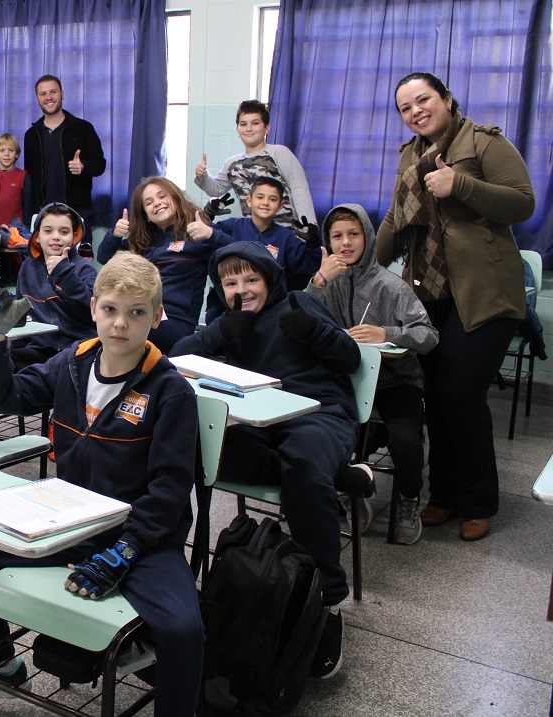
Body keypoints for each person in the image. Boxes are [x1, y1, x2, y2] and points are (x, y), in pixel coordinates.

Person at [0, 251, 202, 714]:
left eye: (136, 313)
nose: (120, 323)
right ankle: (0, 664)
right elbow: (4, 395)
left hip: (139, 537)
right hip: (69, 523)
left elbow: (168, 491)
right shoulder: (72, 363)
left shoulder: (170, 391)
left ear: (156, 317)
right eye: (110, 309)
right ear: (94, 309)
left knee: (183, 629)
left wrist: (125, 550)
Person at [172, 241, 363, 680]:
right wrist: (220, 333)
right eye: (230, 283)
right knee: (192, 449)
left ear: (270, 279)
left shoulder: (298, 303)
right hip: (260, 424)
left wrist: (314, 332)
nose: (242, 289)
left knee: (303, 463)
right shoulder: (228, 321)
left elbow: (351, 357)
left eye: (251, 279)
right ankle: (325, 475)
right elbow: (178, 356)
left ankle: (327, 597)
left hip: (318, 413)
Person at [376, 72, 535, 542]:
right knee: (436, 398)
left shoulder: (483, 142)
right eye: (405, 107)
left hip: (485, 295)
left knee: (461, 396)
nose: (415, 111)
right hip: (428, 296)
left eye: (423, 99)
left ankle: (478, 502)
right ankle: (443, 496)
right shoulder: (409, 155)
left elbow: (523, 203)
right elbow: (395, 219)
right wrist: (359, 265)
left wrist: (459, 184)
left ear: (446, 99)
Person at [304, 204, 438, 544]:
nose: (346, 243)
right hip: (349, 381)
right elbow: (299, 321)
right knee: (326, 432)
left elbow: (428, 335)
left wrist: (386, 333)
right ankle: (353, 493)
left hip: (396, 381)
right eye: (337, 236)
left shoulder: (391, 286)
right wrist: (318, 282)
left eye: (354, 234)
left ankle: (408, 499)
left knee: (405, 441)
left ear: (368, 236)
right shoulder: (327, 283)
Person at [97, 176, 233, 352]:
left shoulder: (196, 234)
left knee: (113, 331)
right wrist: (114, 235)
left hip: (175, 321)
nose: (157, 203)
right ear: (144, 213)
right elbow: (104, 257)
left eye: (162, 196)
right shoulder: (141, 241)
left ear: (175, 198)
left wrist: (211, 235)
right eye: (149, 202)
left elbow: (239, 253)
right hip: (139, 311)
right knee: (100, 321)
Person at [193, 176, 321, 322]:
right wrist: (208, 214)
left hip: (270, 312)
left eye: (272, 199)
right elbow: (201, 239)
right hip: (227, 308)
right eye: (260, 197)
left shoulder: (286, 237)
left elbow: (308, 264)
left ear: (280, 205)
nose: (265, 202)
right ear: (249, 200)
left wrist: (314, 243)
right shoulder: (231, 227)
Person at [194, 99, 316, 227]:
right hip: (253, 234)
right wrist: (203, 175)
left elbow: (299, 189)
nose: (249, 129)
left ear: (267, 128)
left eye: (255, 123)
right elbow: (216, 189)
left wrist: (309, 226)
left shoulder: (279, 153)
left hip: (287, 232)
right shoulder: (232, 163)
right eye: (243, 124)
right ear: (237, 129)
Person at [23, 75, 105, 254]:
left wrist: (83, 167)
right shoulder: (31, 135)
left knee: (80, 265)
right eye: (43, 94)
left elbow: (100, 164)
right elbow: (29, 177)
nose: (48, 97)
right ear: (37, 98)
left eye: (53, 92)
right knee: (45, 265)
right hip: (44, 215)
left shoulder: (83, 128)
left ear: (62, 94)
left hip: (78, 213)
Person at [11, 202, 97, 369]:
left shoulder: (84, 269)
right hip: (39, 349)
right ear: (37, 236)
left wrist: (65, 275)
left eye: (64, 232)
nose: (56, 236)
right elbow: (21, 314)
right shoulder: (28, 267)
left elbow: (92, 313)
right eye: (48, 231)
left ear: (74, 237)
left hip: (76, 350)